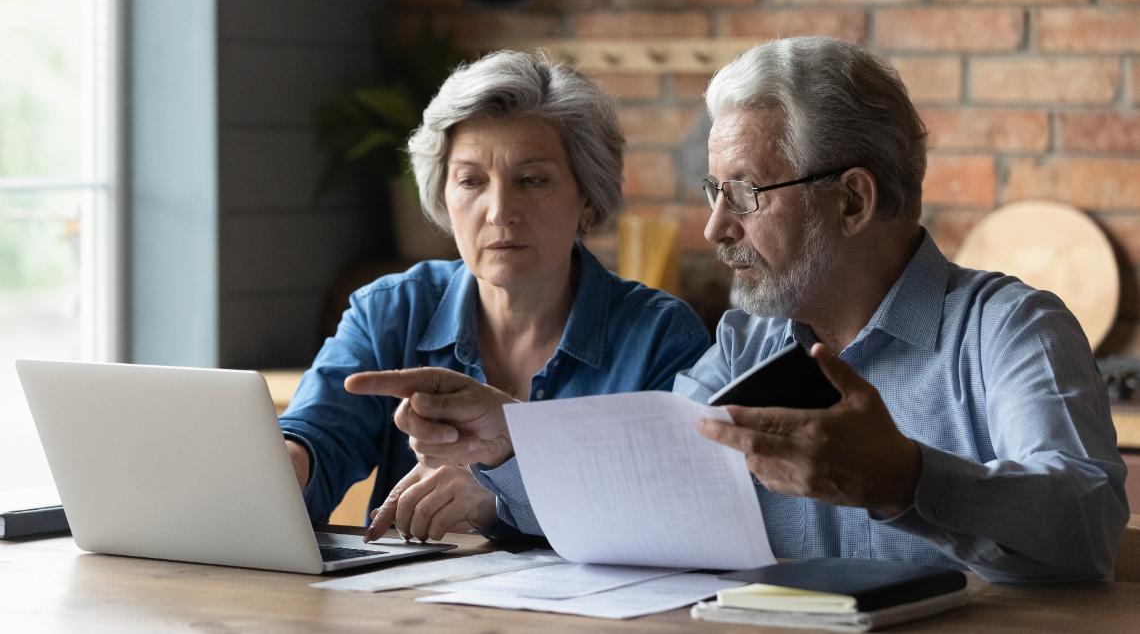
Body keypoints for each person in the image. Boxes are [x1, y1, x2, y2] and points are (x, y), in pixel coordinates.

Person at [359, 37, 1129, 583]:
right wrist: (512, 441)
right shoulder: (745, 342)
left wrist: (906, 479)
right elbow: (646, 482)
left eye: (746, 194)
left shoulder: (1009, 328)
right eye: (713, 192)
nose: (715, 229)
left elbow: (1087, 529)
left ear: (853, 200)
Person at [278, 50, 710, 542]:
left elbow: (675, 509)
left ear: (588, 199)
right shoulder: (391, 311)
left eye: (532, 180)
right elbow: (319, 436)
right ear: (444, 197)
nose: (500, 210)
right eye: (471, 181)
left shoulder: (661, 337)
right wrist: (289, 467)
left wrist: (502, 497)